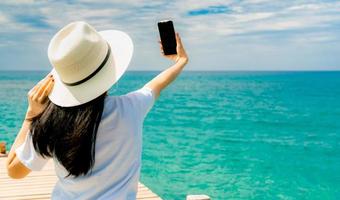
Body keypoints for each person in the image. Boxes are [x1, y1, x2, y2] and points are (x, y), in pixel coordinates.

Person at [6, 21, 188, 199]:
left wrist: (32, 115)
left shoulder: (51, 122)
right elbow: (155, 86)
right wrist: (180, 61)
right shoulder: (131, 107)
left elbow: (14, 170)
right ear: (109, 69)